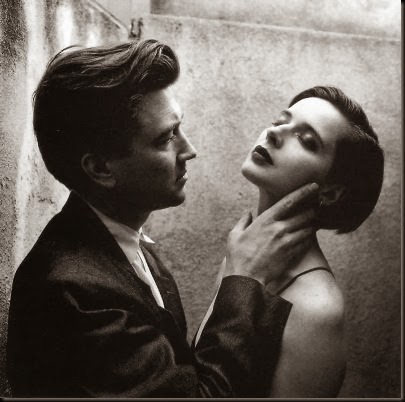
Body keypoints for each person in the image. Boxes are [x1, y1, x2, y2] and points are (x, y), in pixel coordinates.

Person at [6, 39, 319, 398]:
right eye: (166, 138)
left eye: (179, 127)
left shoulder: (125, 241)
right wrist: (245, 279)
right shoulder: (74, 291)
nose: (190, 150)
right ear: (100, 168)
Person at [207, 85, 384, 397]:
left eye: (306, 140)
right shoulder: (240, 257)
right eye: (279, 122)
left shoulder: (316, 309)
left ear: (330, 192)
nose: (275, 134)